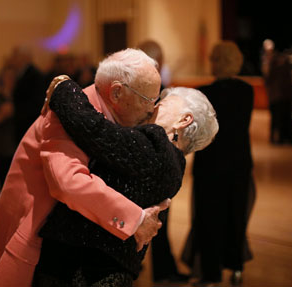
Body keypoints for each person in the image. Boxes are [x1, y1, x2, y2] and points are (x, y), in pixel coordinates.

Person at [0, 49, 173, 287]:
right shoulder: (67, 113)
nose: (150, 110)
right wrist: (136, 220)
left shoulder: (91, 107)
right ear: (116, 92)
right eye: (147, 100)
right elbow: (68, 182)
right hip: (32, 238)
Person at [33, 75, 218, 286]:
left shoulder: (157, 149)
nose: (152, 106)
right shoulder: (170, 164)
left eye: (161, 103)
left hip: (86, 271)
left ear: (184, 120)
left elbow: (94, 129)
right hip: (100, 271)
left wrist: (63, 87)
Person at [181, 41, 256, 287]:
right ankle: (236, 268)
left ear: (215, 62)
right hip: (239, 164)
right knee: (236, 215)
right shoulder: (247, 91)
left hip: (211, 165)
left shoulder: (204, 95)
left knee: (209, 217)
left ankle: (211, 274)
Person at [137, 39, 190, 284]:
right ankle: (162, 272)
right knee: (157, 221)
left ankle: (156, 269)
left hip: (142, 164)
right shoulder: (159, 91)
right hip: (155, 166)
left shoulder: (134, 90)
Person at [261, 39, 292, 145]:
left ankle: (277, 139)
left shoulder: (273, 61)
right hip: (284, 94)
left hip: (277, 95)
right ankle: (285, 139)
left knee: (277, 118)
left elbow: (268, 78)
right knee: (285, 117)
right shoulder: (283, 60)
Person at [0, 58, 17, 193]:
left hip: (14, 144)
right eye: (7, 78)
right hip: (2, 146)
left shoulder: (18, 97)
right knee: (3, 179)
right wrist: (2, 115)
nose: (10, 80)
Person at [11, 46, 47, 144]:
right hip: (22, 124)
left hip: (28, 124)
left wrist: (15, 109)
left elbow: (37, 103)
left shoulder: (35, 76)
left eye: (15, 56)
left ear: (24, 57)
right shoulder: (21, 74)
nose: (13, 59)